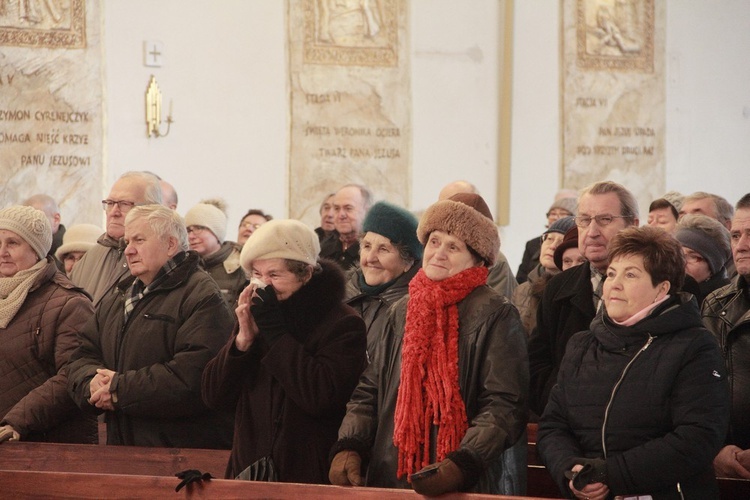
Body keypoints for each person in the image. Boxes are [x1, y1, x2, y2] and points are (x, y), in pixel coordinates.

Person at [330, 193, 529, 496]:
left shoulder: (497, 313)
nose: (439, 253)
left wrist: (462, 463)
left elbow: (504, 403)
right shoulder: (402, 309)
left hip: (467, 479)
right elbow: (370, 388)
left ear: (476, 258)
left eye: (454, 246)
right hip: (395, 471)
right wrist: (350, 444)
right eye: (434, 242)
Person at [538, 226, 729, 499]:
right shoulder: (582, 345)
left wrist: (610, 474)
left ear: (661, 288)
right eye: (611, 274)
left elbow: (698, 437)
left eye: (630, 275)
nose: (614, 283)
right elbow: (553, 426)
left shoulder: (694, 347)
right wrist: (572, 471)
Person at [202, 219, 367, 482]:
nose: (263, 285)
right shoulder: (257, 315)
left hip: (305, 475)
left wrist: (276, 334)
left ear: (306, 274)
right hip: (249, 471)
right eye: (257, 274)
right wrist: (242, 342)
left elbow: (319, 397)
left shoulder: (342, 323)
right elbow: (213, 396)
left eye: (274, 275)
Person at [67, 205, 234, 448]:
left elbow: (194, 377)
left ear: (170, 245)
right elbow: (82, 354)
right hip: (122, 445)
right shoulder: (120, 295)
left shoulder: (202, 295)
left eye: (139, 240)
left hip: (179, 452)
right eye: (127, 241)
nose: (129, 250)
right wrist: (90, 383)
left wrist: (119, 389)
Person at [528, 180, 639, 416]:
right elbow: (538, 361)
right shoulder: (558, 287)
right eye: (584, 220)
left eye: (605, 220)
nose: (592, 231)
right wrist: (558, 405)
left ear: (633, 225)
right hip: (565, 424)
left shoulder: (661, 284)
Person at [0, 206, 96, 444]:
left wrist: (18, 421)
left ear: (36, 249)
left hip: (47, 441)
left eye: (13, 243)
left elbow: (73, 375)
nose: (2, 252)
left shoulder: (70, 303)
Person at [702, 193, 750, 479]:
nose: (741, 246)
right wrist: (714, 449)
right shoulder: (716, 303)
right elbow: (697, 388)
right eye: (735, 235)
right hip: (723, 463)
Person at [69, 171, 163, 307]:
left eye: (124, 204)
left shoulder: (158, 259)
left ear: (152, 210)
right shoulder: (89, 257)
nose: (114, 212)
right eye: (110, 203)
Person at [344, 201, 422, 357]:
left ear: (408, 261)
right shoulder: (338, 295)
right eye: (366, 246)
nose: (371, 258)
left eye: (383, 249)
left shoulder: (415, 310)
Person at [436, 180, 517, 299]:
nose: (447, 214)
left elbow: (491, 309)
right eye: (441, 206)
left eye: (456, 206)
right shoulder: (432, 252)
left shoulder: (493, 261)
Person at [512, 216, 576, 336]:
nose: (552, 246)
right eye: (549, 238)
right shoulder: (522, 289)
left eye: (561, 241)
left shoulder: (573, 291)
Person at [185, 199, 247, 308]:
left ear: (217, 232)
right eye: (189, 230)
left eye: (199, 228)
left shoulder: (241, 266)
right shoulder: (185, 267)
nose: (191, 236)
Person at [516, 193, 578, 283]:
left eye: (562, 213)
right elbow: (520, 278)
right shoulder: (532, 244)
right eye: (553, 213)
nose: (556, 217)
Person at [675, 214, 731, 306]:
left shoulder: (726, 303)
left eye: (693, 257)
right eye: (677, 253)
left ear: (713, 268)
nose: (681, 262)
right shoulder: (661, 291)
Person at [320, 184, 372, 271]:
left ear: (366, 211)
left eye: (348, 208)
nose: (341, 215)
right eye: (337, 208)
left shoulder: (373, 253)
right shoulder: (324, 249)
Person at [22, 193, 65, 270]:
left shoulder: (69, 254)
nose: (30, 226)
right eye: (25, 221)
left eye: (37, 220)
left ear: (56, 219)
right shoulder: (24, 249)